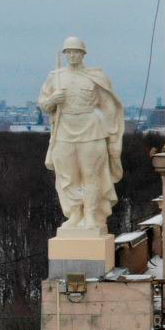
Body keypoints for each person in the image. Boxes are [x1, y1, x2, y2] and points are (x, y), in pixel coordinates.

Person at [39, 36, 124, 232]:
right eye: (68, 52)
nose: (72, 55)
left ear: (83, 54)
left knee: (90, 175)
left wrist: (112, 137)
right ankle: (75, 213)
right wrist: (53, 99)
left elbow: (108, 106)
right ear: (64, 54)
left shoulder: (95, 76)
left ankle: (91, 215)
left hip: (91, 130)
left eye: (76, 51)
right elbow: (44, 105)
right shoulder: (55, 77)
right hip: (64, 130)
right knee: (68, 177)